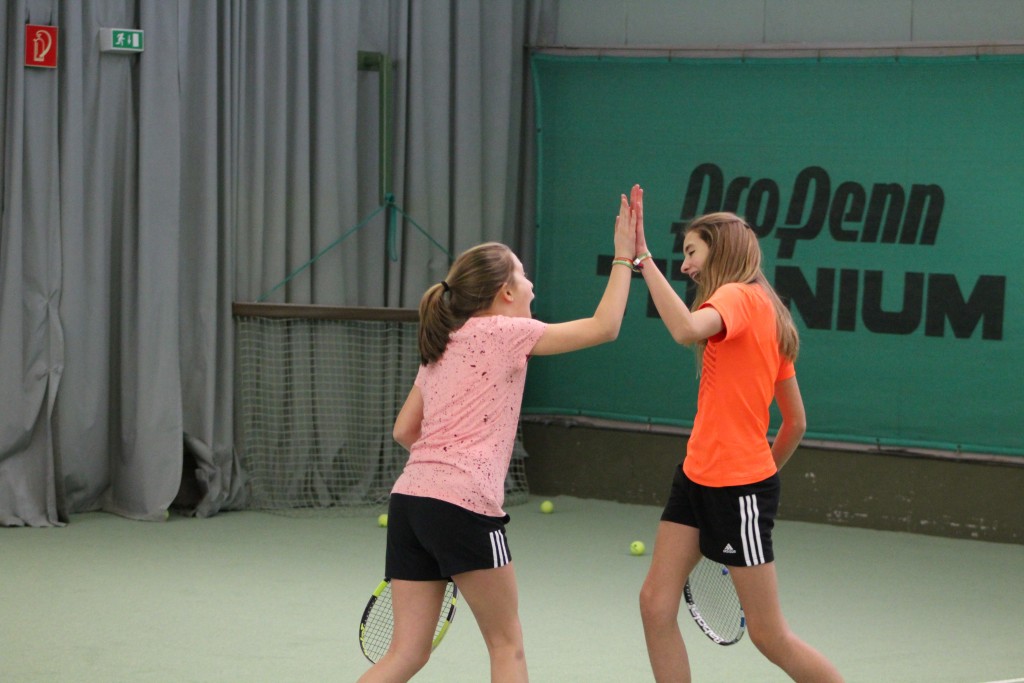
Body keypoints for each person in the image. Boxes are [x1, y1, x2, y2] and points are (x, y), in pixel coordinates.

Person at [358, 186, 641, 683]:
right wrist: (624, 256)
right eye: (523, 275)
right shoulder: (508, 333)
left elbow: (405, 430)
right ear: (505, 293)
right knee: (507, 645)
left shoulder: (443, 343)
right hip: (464, 507)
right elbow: (605, 327)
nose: (531, 285)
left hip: (410, 502)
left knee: (406, 654)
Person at [631, 188, 843, 683]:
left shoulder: (738, 296)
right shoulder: (768, 311)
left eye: (692, 252)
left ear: (719, 250)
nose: (686, 265)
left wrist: (642, 259)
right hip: (696, 478)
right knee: (655, 603)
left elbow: (685, 329)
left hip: (737, 489)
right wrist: (762, 469)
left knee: (769, 636)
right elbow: (795, 422)